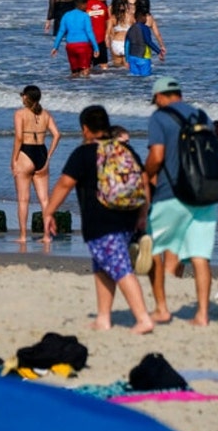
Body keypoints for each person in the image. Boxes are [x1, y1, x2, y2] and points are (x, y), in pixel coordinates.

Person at [41, 105, 154, 334]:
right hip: (127, 217)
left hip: (101, 221)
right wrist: (142, 214)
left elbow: (64, 184)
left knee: (120, 268)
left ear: (85, 129)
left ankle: (143, 318)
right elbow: (144, 181)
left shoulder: (83, 154)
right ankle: (103, 318)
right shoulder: (125, 150)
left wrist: (48, 212)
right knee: (102, 266)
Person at [144, 77, 217, 327]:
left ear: (161, 96)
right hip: (204, 193)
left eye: (156, 100)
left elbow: (157, 155)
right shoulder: (202, 116)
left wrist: (145, 174)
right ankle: (202, 315)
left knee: (154, 249)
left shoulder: (159, 117)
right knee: (199, 256)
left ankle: (162, 309)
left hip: (170, 194)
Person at [11, 86, 61, 242]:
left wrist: (14, 158)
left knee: (23, 199)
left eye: (22, 96)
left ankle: (23, 236)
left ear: (26, 97)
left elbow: (19, 137)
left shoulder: (20, 114)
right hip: (42, 153)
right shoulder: (46, 114)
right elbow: (57, 135)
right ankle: (47, 236)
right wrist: (49, 155)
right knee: (45, 200)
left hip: (25, 153)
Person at [52, 0, 98, 78]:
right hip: (83, 46)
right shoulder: (85, 16)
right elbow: (89, 32)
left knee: (74, 72)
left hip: (70, 46)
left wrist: (55, 47)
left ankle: (73, 88)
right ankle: (85, 89)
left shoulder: (66, 15)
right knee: (85, 71)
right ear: (82, 5)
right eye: (86, 4)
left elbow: (61, 32)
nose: (87, 6)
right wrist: (96, 47)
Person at [126, 0, 164, 77]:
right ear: (142, 17)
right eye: (145, 17)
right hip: (143, 57)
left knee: (134, 77)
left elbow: (126, 43)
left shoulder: (131, 28)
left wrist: (127, 59)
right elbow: (148, 41)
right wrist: (158, 51)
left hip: (132, 57)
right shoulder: (145, 28)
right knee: (145, 78)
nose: (146, 19)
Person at [79, 0, 109, 70]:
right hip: (101, 39)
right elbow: (107, 21)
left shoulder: (84, 6)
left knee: (86, 67)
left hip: (89, 40)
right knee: (104, 65)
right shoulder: (103, 5)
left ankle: (90, 83)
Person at [108, 0, 133, 68]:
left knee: (117, 69)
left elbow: (109, 33)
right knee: (127, 68)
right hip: (126, 44)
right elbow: (137, 29)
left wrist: (110, 46)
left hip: (116, 43)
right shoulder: (130, 16)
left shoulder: (112, 18)